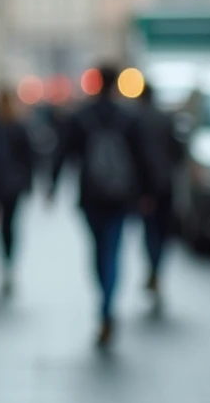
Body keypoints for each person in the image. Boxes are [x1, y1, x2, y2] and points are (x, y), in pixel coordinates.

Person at [49, 64, 151, 349]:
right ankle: (108, 305)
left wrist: (52, 187)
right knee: (114, 249)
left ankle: (104, 303)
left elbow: (63, 151)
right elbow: (142, 158)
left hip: (91, 195)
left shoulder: (82, 116)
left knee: (98, 249)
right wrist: (146, 192)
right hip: (121, 196)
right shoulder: (128, 117)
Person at [136, 82, 185, 303]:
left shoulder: (135, 120)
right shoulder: (166, 119)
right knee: (163, 231)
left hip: (145, 187)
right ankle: (157, 269)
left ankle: (153, 268)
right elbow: (178, 151)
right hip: (165, 184)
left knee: (150, 230)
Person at [0, 87, 35, 295]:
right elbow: (29, 158)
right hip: (14, 185)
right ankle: (9, 263)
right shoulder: (19, 127)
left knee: (4, 225)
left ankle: (6, 262)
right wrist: (29, 184)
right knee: (10, 224)